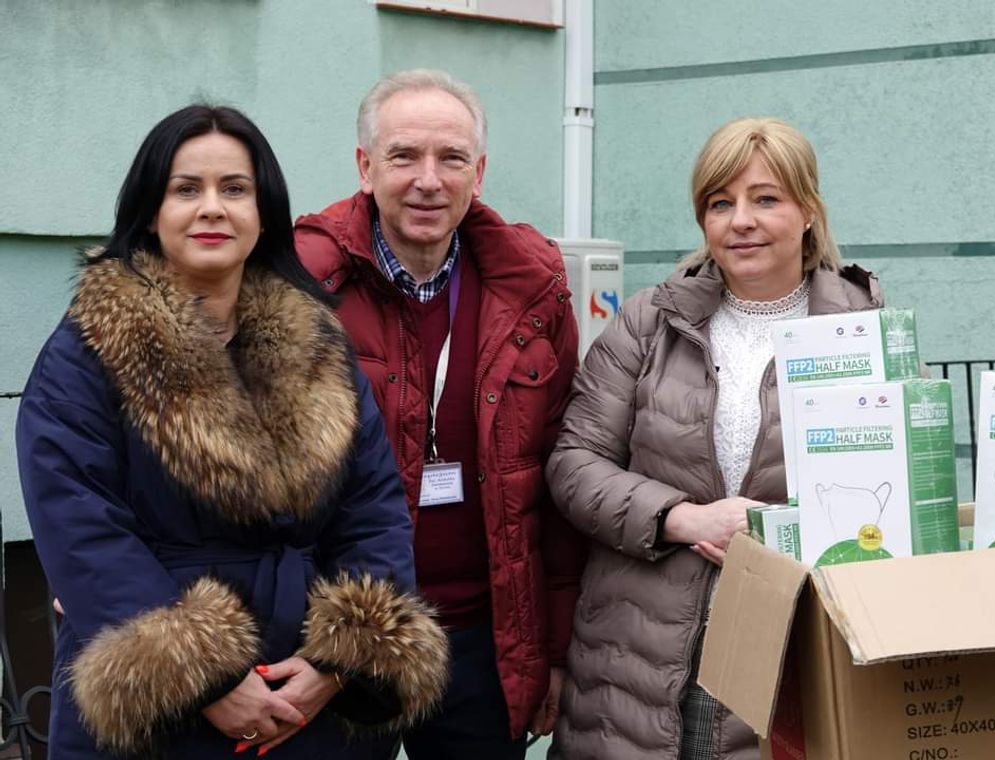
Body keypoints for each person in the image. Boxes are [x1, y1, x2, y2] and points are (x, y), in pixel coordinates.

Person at [16, 104, 448, 759]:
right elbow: (82, 531)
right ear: (150, 211)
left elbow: (373, 509)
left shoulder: (319, 348)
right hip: (157, 708)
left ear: (264, 212)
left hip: (308, 705)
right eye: (187, 189)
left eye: (235, 189)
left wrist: (336, 664)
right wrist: (208, 679)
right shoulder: (89, 352)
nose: (213, 208)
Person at [546, 117, 887, 759]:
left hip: (792, 650)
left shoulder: (866, 333)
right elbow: (574, 464)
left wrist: (778, 534)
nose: (742, 221)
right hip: (635, 662)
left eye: (766, 199)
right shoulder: (652, 321)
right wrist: (682, 517)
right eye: (720, 203)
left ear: (809, 211)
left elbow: (899, 497)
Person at [294, 69, 585, 758]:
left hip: (481, 641)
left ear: (477, 173)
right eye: (404, 156)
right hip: (335, 640)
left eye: (451, 158)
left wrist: (555, 647)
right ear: (365, 167)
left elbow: (559, 479)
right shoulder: (299, 284)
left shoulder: (533, 290)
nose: (429, 179)